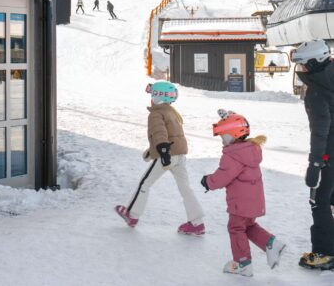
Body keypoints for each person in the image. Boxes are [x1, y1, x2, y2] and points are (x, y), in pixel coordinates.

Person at [201, 110, 286, 277]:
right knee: (248, 226)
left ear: (233, 134)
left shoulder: (232, 155)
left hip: (240, 203)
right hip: (253, 200)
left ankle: (243, 263)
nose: (222, 139)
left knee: (235, 228)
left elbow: (222, 177)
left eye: (223, 135)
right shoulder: (250, 150)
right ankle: (271, 243)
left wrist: (208, 181)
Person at [115, 81, 205, 236]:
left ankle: (132, 214)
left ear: (158, 96)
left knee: (145, 183)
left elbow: (159, 133)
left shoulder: (156, 113)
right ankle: (197, 223)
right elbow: (170, 136)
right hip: (179, 155)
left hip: (167, 155)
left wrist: (162, 152)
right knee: (185, 188)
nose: (151, 98)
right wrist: (152, 151)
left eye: (153, 94)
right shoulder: (171, 112)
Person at [291, 39, 334, 270]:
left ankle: (325, 253)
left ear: (316, 63)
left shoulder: (317, 91)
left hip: (328, 154)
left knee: (320, 201)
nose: (302, 70)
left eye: (304, 65)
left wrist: (315, 164)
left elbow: (320, 131)